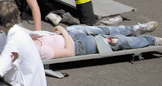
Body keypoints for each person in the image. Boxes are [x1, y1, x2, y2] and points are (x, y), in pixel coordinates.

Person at [30, 22, 161, 60]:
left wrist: (65, 32)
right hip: (80, 45)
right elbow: (70, 52)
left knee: (105, 29)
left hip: (72, 32)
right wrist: (63, 32)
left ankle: (136, 28)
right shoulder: (41, 51)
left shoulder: (24, 38)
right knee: (118, 41)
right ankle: (151, 40)